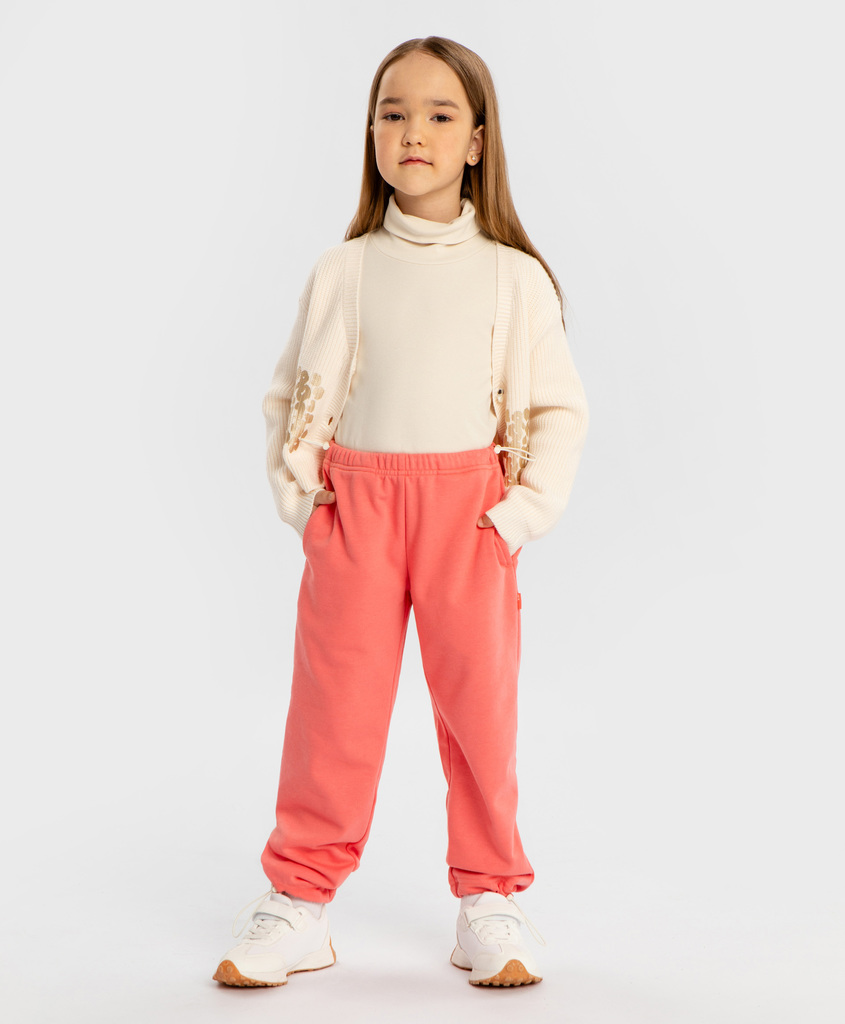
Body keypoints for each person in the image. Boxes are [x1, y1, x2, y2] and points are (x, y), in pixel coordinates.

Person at [213, 35, 589, 990]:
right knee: (332, 711)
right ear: (371, 134)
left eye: (438, 114)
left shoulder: (512, 276)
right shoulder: (344, 269)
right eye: (392, 113)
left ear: (477, 141)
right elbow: (287, 396)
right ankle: (299, 901)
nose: (412, 131)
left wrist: (516, 517)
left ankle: (488, 898)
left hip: (469, 517)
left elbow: (557, 409)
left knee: (478, 713)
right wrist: (307, 507)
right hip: (357, 514)